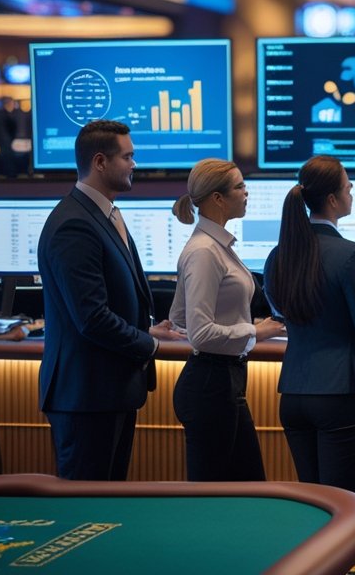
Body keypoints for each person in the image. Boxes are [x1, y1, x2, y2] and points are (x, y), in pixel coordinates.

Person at [37, 119, 183, 480]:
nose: (135, 164)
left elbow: (111, 300)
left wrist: (148, 327)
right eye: (128, 157)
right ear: (100, 162)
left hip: (107, 392)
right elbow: (92, 317)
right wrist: (148, 344)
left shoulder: (101, 214)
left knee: (106, 505)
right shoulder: (75, 224)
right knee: (85, 513)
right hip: (86, 396)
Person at [263, 155, 355, 495]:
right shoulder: (349, 254)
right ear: (333, 199)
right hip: (341, 393)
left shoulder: (278, 254)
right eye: (348, 188)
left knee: (315, 500)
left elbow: (282, 313)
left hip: (294, 392)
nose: (352, 193)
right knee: (345, 501)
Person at [170, 158, 284, 481]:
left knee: (247, 488)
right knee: (215, 497)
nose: (247, 193)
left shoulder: (215, 246)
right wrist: (255, 331)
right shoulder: (205, 251)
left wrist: (238, 322)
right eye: (240, 187)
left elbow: (178, 316)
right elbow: (201, 334)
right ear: (218, 199)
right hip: (211, 384)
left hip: (223, 382)